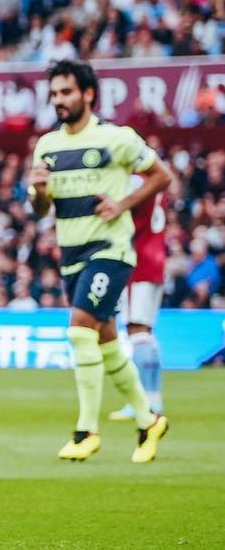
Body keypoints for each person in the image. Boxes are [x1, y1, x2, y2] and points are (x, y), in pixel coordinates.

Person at [28, 59, 172, 463]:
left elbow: (162, 175)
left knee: (79, 330)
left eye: (67, 92)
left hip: (110, 249)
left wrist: (123, 203)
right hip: (71, 254)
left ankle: (86, 430)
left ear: (88, 93)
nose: (59, 100)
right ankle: (149, 421)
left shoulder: (117, 138)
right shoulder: (47, 146)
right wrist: (39, 192)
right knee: (107, 345)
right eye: (54, 93)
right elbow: (41, 210)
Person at [110, 180, 168, 421]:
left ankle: (142, 404)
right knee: (147, 333)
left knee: (137, 331)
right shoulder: (156, 179)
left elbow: (126, 217)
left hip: (139, 262)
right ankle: (153, 401)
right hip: (156, 259)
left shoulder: (134, 180)